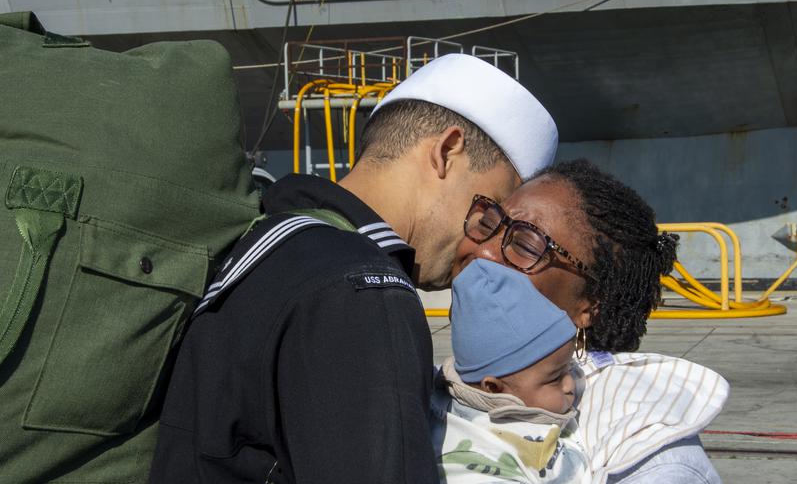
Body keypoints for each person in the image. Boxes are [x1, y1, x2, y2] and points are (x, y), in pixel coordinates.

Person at [149, 54, 559, 483]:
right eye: (488, 212)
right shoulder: (364, 292)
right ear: (446, 151)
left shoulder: (267, 239)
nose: (485, 244)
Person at [453, 159, 728, 483]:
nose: (482, 253)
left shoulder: (647, 456)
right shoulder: (419, 383)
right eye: (489, 223)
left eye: (526, 245)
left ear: (589, 305)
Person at [432, 259, 590, 483]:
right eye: (555, 378)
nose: (570, 384)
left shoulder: (527, 390)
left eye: (568, 367)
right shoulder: (477, 455)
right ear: (494, 387)